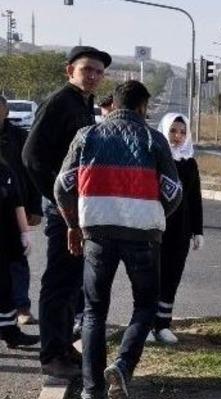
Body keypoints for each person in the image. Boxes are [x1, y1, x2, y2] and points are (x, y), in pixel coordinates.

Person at [54, 80, 182, 399]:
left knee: (94, 311)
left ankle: (93, 390)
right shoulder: (153, 140)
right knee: (146, 305)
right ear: (142, 107)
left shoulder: (86, 136)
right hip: (143, 236)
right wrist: (154, 213)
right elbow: (173, 191)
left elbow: (62, 187)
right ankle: (123, 365)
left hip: (97, 234)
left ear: (113, 104)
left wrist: (72, 225)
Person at [24, 45, 111, 378]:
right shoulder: (60, 102)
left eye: (98, 72)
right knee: (59, 282)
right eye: (87, 69)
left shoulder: (84, 103)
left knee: (73, 282)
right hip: (64, 209)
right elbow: (32, 156)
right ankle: (51, 355)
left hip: (79, 207)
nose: (93, 76)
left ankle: (62, 346)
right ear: (69, 70)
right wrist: (57, 198)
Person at [149, 113, 203, 345]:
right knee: (152, 277)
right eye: (173, 130)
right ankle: (145, 325)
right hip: (156, 227)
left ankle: (162, 325)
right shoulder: (155, 158)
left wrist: (198, 231)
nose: (177, 136)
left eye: (182, 132)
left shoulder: (189, 162)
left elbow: (195, 198)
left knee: (172, 277)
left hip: (180, 230)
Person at [0, 95, 41, 325]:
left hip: (15, 208)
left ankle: (22, 308)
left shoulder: (19, 137)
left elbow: (31, 174)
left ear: (5, 112)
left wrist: (35, 207)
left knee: (17, 260)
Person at [0, 161, 39, 348]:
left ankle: (10, 332)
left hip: (7, 239)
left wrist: (25, 233)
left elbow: (17, 203)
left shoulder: (5, 170)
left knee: (6, 287)